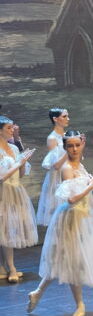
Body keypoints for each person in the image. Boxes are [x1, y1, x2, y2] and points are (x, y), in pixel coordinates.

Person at [27, 131, 93, 316]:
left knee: (63, 260)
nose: (74, 149)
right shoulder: (67, 168)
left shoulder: (80, 164)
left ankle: (37, 292)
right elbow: (71, 199)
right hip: (71, 219)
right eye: (70, 146)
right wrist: (90, 185)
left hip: (83, 217)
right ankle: (80, 304)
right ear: (65, 147)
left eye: (77, 145)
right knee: (72, 261)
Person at [0, 116, 37, 283]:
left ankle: (5, 266)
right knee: (4, 229)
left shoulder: (13, 148)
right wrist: (18, 163)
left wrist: (22, 162)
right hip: (3, 191)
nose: (12, 130)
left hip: (15, 190)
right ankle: (10, 267)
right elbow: (1, 177)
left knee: (9, 229)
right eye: (9, 128)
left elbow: (20, 175)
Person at [37, 108, 70, 226]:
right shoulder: (52, 138)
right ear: (55, 119)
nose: (68, 119)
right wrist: (69, 151)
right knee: (58, 213)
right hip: (57, 178)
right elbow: (55, 165)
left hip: (68, 174)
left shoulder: (67, 135)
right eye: (64, 116)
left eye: (67, 116)